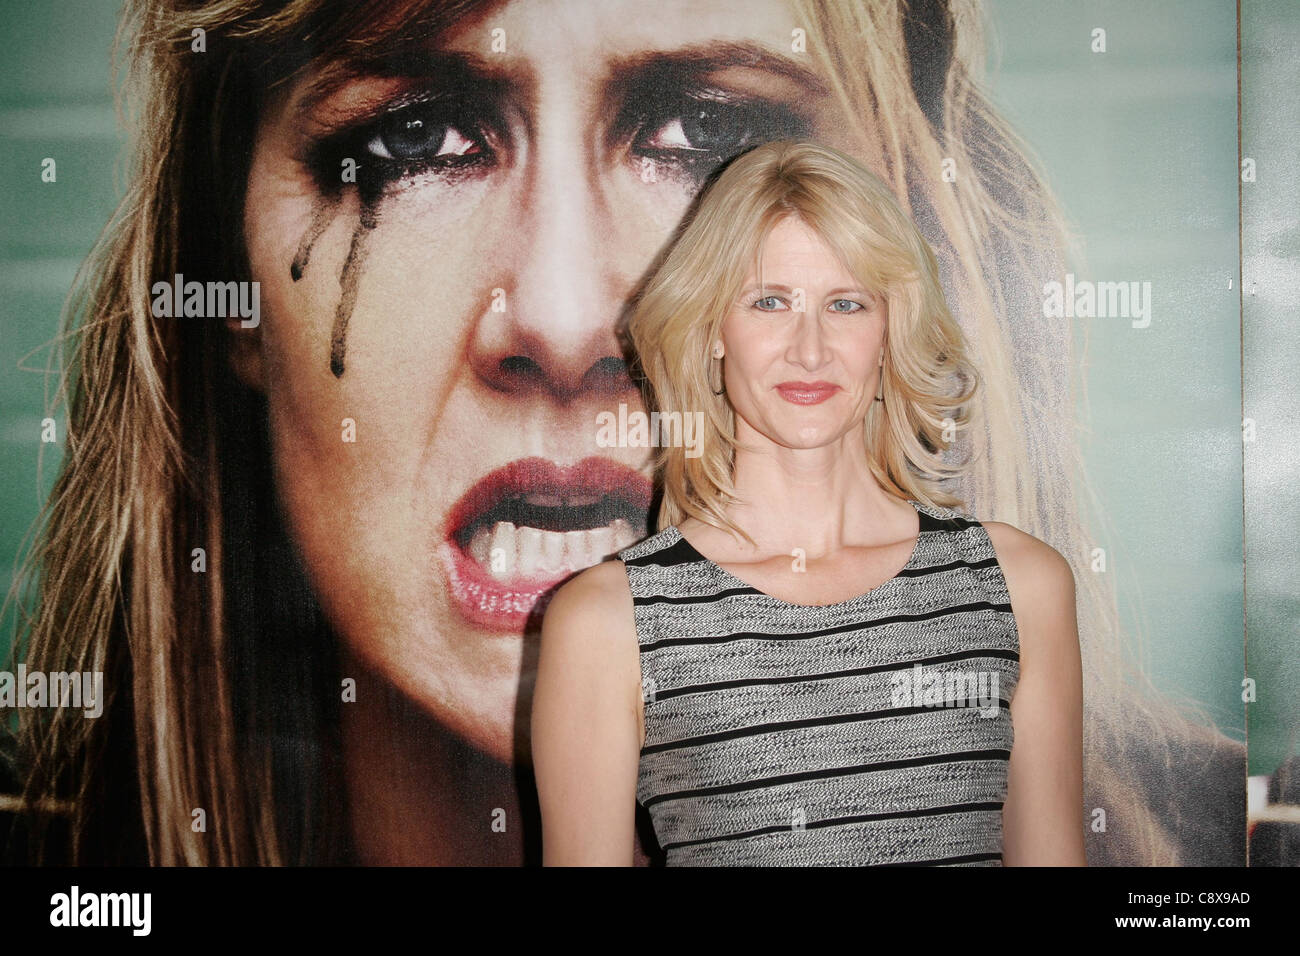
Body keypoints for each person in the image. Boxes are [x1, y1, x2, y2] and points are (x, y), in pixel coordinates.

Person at [1, 0, 1240, 866]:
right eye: (415, 139)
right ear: (232, 286)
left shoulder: (1215, 831)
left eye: (708, 136)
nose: (562, 315)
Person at [532, 139, 1086, 865]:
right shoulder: (610, 623)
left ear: (889, 331)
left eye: (846, 303)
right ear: (711, 332)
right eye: (770, 302)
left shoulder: (1017, 586)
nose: (811, 348)